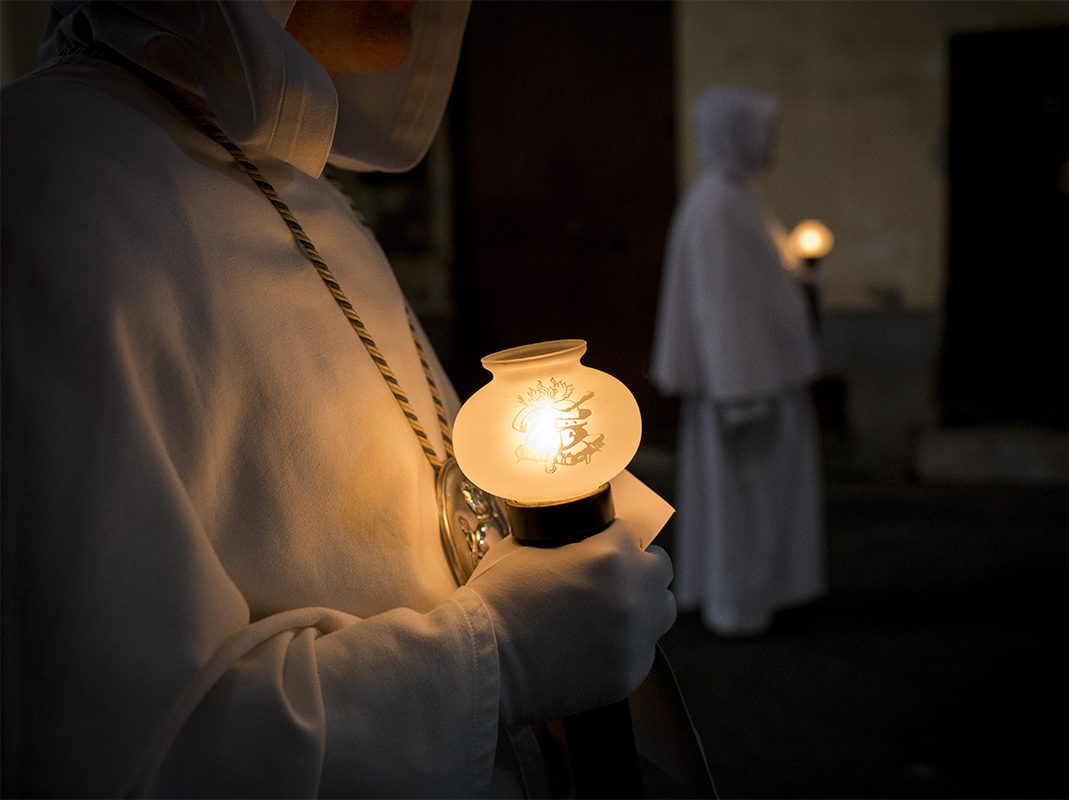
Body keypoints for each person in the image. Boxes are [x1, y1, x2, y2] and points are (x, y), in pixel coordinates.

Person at [0, 1, 675, 796]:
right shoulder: (42, 181)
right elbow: (103, 757)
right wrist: (498, 655)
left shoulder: (302, 187)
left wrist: (555, 538)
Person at [650, 86, 825, 638]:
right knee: (744, 502)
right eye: (760, 133)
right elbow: (722, 307)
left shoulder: (735, 196)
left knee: (755, 499)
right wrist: (741, 390)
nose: (768, 145)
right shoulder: (720, 205)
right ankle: (740, 603)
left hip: (760, 379)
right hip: (747, 387)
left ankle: (758, 593)